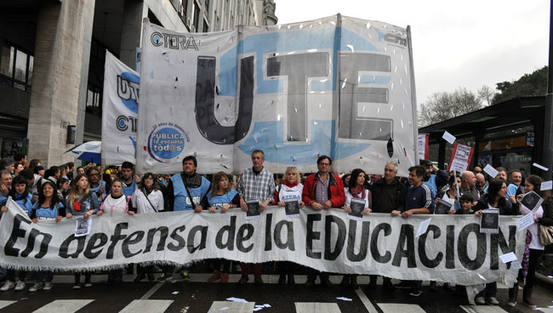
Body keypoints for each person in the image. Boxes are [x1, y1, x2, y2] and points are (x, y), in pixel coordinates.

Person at [473, 178, 518, 305]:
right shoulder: (483, 201)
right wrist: (476, 213)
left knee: (494, 265)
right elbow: (472, 214)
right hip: (482, 238)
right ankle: (480, 293)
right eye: (503, 188)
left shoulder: (505, 203)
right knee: (483, 265)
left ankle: (491, 294)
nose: (505, 190)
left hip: (498, 240)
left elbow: (513, 217)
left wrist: (514, 203)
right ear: (496, 189)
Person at [302, 155, 345, 286]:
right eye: (322, 164)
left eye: (326, 164)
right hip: (313, 217)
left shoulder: (337, 180)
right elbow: (304, 196)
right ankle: (311, 277)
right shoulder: (310, 179)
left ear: (330, 166)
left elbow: (342, 197)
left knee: (327, 247)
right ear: (318, 165)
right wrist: (311, 203)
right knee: (312, 247)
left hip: (329, 218)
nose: (324, 166)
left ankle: (325, 277)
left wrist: (332, 202)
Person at [391, 165, 434, 297]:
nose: (410, 177)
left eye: (413, 175)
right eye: (409, 175)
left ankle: (417, 285)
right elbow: (405, 206)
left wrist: (412, 211)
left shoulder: (425, 189)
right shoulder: (409, 189)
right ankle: (406, 280)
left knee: (417, 255)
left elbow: (429, 209)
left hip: (421, 228)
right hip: (408, 227)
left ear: (420, 177)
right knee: (407, 254)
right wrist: (401, 211)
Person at [237, 150, 275, 285]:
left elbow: (272, 193)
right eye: (254, 158)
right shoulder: (245, 173)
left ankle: (258, 275)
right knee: (244, 244)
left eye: (258, 158)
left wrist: (266, 201)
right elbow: (239, 189)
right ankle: (244, 274)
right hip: (246, 213)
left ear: (263, 160)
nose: (256, 160)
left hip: (261, 214)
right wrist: (241, 199)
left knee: (258, 245)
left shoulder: (269, 175)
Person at [507, 175, 544, 308]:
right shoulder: (522, 198)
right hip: (520, 239)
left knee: (532, 270)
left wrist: (538, 219)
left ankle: (527, 297)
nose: (525, 187)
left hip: (536, 241)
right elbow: (512, 215)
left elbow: (550, 219)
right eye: (526, 185)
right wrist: (516, 203)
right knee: (516, 267)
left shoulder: (544, 201)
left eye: (528, 185)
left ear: (535, 186)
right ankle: (513, 295)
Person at [368, 161, 406, 289]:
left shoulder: (401, 187)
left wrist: (399, 210)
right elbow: (370, 201)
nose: (387, 173)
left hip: (392, 224)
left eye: (390, 170)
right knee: (374, 249)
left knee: (389, 250)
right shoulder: (376, 184)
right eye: (386, 170)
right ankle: (372, 278)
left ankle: (387, 279)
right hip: (376, 222)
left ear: (395, 173)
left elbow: (403, 203)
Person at [28, 179, 65, 292]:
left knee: (49, 258)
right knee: (38, 258)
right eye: (45, 188)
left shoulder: (59, 204)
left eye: (49, 188)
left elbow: (65, 217)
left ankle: (48, 280)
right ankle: (38, 281)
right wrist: (33, 219)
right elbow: (31, 217)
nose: (47, 190)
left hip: (52, 237)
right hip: (38, 237)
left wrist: (61, 218)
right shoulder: (37, 204)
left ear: (54, 190)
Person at [64, 174, 100, 289]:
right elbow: (68, 209)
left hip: (88, 226)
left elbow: (97, 208)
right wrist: (68, 213)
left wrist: (91, 212)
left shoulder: (91, 194)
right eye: (82, 180)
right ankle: (77, 279)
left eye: (86, 180)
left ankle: (88, 277)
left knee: (86, 251)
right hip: (75, 227)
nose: (84, 182)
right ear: (77, 183)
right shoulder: (71, 196)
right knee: (76, 252)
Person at [0, 176, 33, 292]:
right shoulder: (7, 199)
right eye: (17, 185)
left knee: (23, 255)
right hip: (10, 233)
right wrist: (1, 211)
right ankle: (10, 280)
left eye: (22, 185)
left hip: (25, 233)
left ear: (26, 186)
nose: (20, 188)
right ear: (14, 186)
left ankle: (21, 280)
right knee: (10, 255)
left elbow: (33, 215)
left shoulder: (31, 199)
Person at [206, 172, 240, 284]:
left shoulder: (232, 193)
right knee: (214, 251)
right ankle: (217, 272)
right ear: (217, 183)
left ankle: (225, 273)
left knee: (226, 251)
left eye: (226, 180)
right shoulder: (210, 195)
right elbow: (204, 205)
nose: (225, 182)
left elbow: (240, 205)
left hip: (229, 226)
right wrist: (208, 208)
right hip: (214, 227)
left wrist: (230, 206)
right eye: (222, 180)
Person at [341, 168, 371, 289]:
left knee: (357, 250)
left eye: (364, 176)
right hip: (348, 225)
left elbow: (370, 208)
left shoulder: (367, 193)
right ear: (354, 177)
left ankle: (354, 277)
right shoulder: (345, 191)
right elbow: (341, 205)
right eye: (360, 176)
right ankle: (345, 276)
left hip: (360, 226)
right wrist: (344, 207)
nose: (362, 178)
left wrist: (368, 211)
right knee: (346, 250)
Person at [273, 167, 304, 285]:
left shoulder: (301, 188)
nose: (291, 176)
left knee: (293, 250)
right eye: (289, 174)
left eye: (293, 174)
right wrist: (277, 203)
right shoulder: (279, 188)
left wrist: (303, 204)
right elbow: (273, 201)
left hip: (296, 223)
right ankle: (282, 274)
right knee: (282, 249)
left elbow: (305, 200)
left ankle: (291, 275)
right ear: (286, 176)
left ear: (297, 176)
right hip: (281, 222)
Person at [131, 173, 164, 282]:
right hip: (140, 225)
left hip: (153, 225)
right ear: (143, 180)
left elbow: (161, 210)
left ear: (154, 181)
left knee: (150, 249)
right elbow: (134, 208)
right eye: (146, 178)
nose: (148, 180)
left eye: (151, 179)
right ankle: (141, 272)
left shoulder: (158, 193)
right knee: (140, 249)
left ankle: (150, 272)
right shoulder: (137, 192)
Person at [99, 179, 133, 283]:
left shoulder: (127, 199)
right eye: (114, 186)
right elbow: (101, 209)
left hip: (121, 232)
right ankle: (110, 274)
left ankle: (118, 275)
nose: (116, 188)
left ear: (122, 189)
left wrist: (131, 213)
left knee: (118, 253)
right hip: (107, 231)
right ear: (111, 188)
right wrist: (99, 212)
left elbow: (132, 212)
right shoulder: (105, 198)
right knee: (109, 253)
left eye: (118, 186)